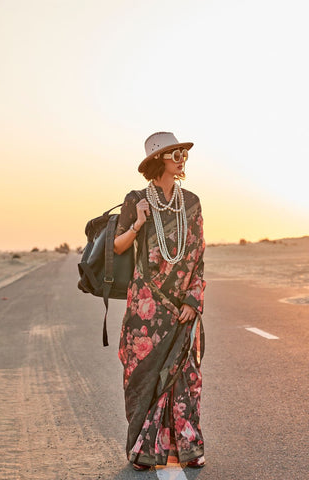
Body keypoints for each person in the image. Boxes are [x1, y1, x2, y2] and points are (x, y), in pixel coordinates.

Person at [114, 132, 206, 471]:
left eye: (183, 152)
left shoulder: (192, 202)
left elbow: (198, 255)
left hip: (181, 304)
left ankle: (189, 446)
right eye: (175, 153)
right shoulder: (136, 198)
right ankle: (142, 450)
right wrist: (138, 221)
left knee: (186, 377)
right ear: (158, 160)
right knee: (144, 376)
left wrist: (194, 299)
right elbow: (119, 247)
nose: (182, 158)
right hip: (146, 307)